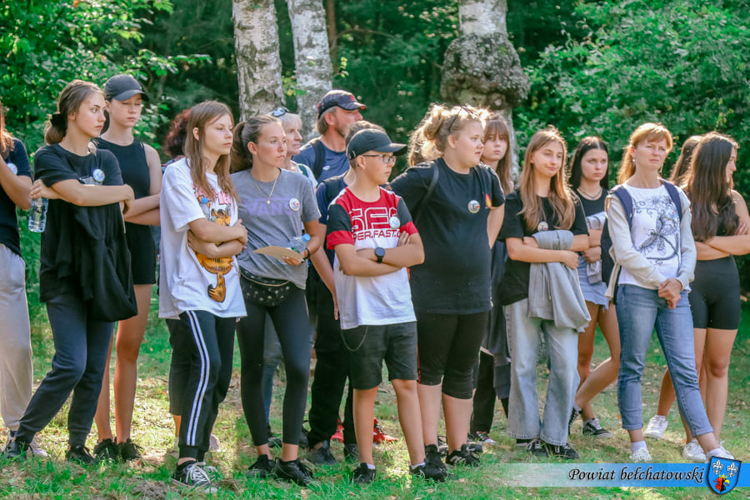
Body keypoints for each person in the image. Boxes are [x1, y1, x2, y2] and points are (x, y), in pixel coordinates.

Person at [3, 80, 137, 464]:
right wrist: (111, 192)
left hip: (104, 270)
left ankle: (77, 444)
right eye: (95, 109)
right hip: (64, 272)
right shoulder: (48, 156)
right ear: (72, 114)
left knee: (95, 366)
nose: (102, 115)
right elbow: (85, 197)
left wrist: (72, 191)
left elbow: (107, 202)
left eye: (102, 110)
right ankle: (21, 438)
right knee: (71, 362)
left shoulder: (106, 160)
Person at [606, 122, 733, 463]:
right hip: (636, 292)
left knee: (686, 371)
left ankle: (711, 447)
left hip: (677, 293)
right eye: (650, 146)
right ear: (634, 152)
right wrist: (660, 281)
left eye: (663, 148)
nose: (657, 152)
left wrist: (679, 280)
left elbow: (687, 246)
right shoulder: (619, 197)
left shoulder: (676, 195)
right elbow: (624, 251)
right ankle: (637, 444)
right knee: (633, 365)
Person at [327, 128, 445, 483]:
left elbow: (419, 253)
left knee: (406, 384)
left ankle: (419, 462)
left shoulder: (395, 202)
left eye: (393, 157)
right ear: (362, 161)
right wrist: (397, 258)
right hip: (362, 313)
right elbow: (350, 264)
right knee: (365, 389)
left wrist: (377, 253)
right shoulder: (340, 207)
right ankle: (366, 463)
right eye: (384, 157)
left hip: (399, 310)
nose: (390, 163)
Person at [390, 104, 505, 470]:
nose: (481, 144)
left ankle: (458, 446)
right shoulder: (425, 176)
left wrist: (483, 244)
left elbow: (498, 208)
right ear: (451, 141)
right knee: (431, 371)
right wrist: (404, 249)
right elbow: (385, 203)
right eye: (475, 138)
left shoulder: (486, 177)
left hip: (475, 294)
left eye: (482, 138)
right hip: (430, 293)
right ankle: (429, 446)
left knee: (463, 371)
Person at [644, 133, 749, 462]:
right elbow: (683, 249)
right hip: (691, 288)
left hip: (727, 288)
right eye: (731, 159)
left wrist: (706, 240)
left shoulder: (735, 199)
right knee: (691, 368)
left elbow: (746, 245)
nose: (735, 164)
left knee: (718, 366)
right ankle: (694, 441)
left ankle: (714, 440)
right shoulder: (678, 197)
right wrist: (722, 242)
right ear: (716, 161)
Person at [159, 100, 247, 492]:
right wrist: (224, 238)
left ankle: (202, 460)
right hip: (190, 288)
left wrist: (222, 243)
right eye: (219, 128)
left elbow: (231, 240)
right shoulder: (178, 174)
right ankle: (186, 459)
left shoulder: (224, 183)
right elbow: (203, 231)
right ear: (197, 134)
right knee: (207, 363)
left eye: (230, 128)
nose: (229, 135)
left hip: (227, 290)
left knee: (223, 374)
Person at [230, 115, 323, 486]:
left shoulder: (299, 183)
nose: (282, 146)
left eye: (283, 140)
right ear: (253, 148)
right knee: (253, 368)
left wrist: (304, 251)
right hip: (248, 285)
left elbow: (316, 234)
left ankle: (290, 458)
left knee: (300, 367)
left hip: (290, 286)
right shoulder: (233, 185)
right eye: (273, 141)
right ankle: (262, 456)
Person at [499, 127, 589, 460]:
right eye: (548, 153)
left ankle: (556, 435)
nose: (554, 161)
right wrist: (561, 253)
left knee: (566, 365)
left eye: (559, 156)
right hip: (520, 289)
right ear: (532, 156)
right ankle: (526, 435)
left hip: (562, 293)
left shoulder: (569, 200)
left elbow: (584, 242)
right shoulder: (514, 199)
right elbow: (516, 252)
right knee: (523, 364)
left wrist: (540, 242)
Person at [305, 121, 386, 466]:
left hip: (372, 291)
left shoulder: (388, 193)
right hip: (335, 288)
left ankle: (357, 438)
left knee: (365, 365)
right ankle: (320, 438)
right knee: (332, 362)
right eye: (377, 154)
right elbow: (317, 244)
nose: (384, 161)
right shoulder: (330, 188)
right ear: (357, 156)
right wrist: (334, 287)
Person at [92, 74, 162, 463]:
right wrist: (134, 206)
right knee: (100, 349)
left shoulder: (148, 153)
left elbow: (162, 212)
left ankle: (125, 437)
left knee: (129, 347)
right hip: (101, 255)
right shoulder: (92, 149)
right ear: (107, 105)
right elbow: (96, 209)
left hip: (138, 255)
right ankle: (102, 437)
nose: (133, 109)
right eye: (126, 102)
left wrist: (119, 208)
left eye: (138, 103)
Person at [0, 98, 46, 457]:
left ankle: (21, 434)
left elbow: (25, 199)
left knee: (16, 347)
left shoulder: (13, 148)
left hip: (4, 253)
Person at [567, 137, 620, 439]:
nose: (598, 167)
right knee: (582, 356)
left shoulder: (615, 197)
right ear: (579, 163)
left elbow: (623, 239)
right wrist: (600, 239)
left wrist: (597, 242)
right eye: (591, 161)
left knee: (622, 354)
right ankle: (589, 420)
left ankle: (575, 404)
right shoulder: (569, 197)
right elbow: (571, 237)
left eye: (603, 161)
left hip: (611, 282)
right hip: (580, 282)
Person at [469, 113, 513, 447]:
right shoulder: (470, 178)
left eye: (502, 139)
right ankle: (477, 425)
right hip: (478, 264)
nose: (495, 145)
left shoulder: (513, 182)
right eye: (489, 138)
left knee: (508, 344)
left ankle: (517, 421)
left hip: (510, 268)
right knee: (482, 346)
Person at [293, 90, 365, 182]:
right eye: (350, 112)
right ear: (330, 118)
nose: (360, 117)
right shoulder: (307, 156)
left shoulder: (360, 153)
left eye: (358, 111)